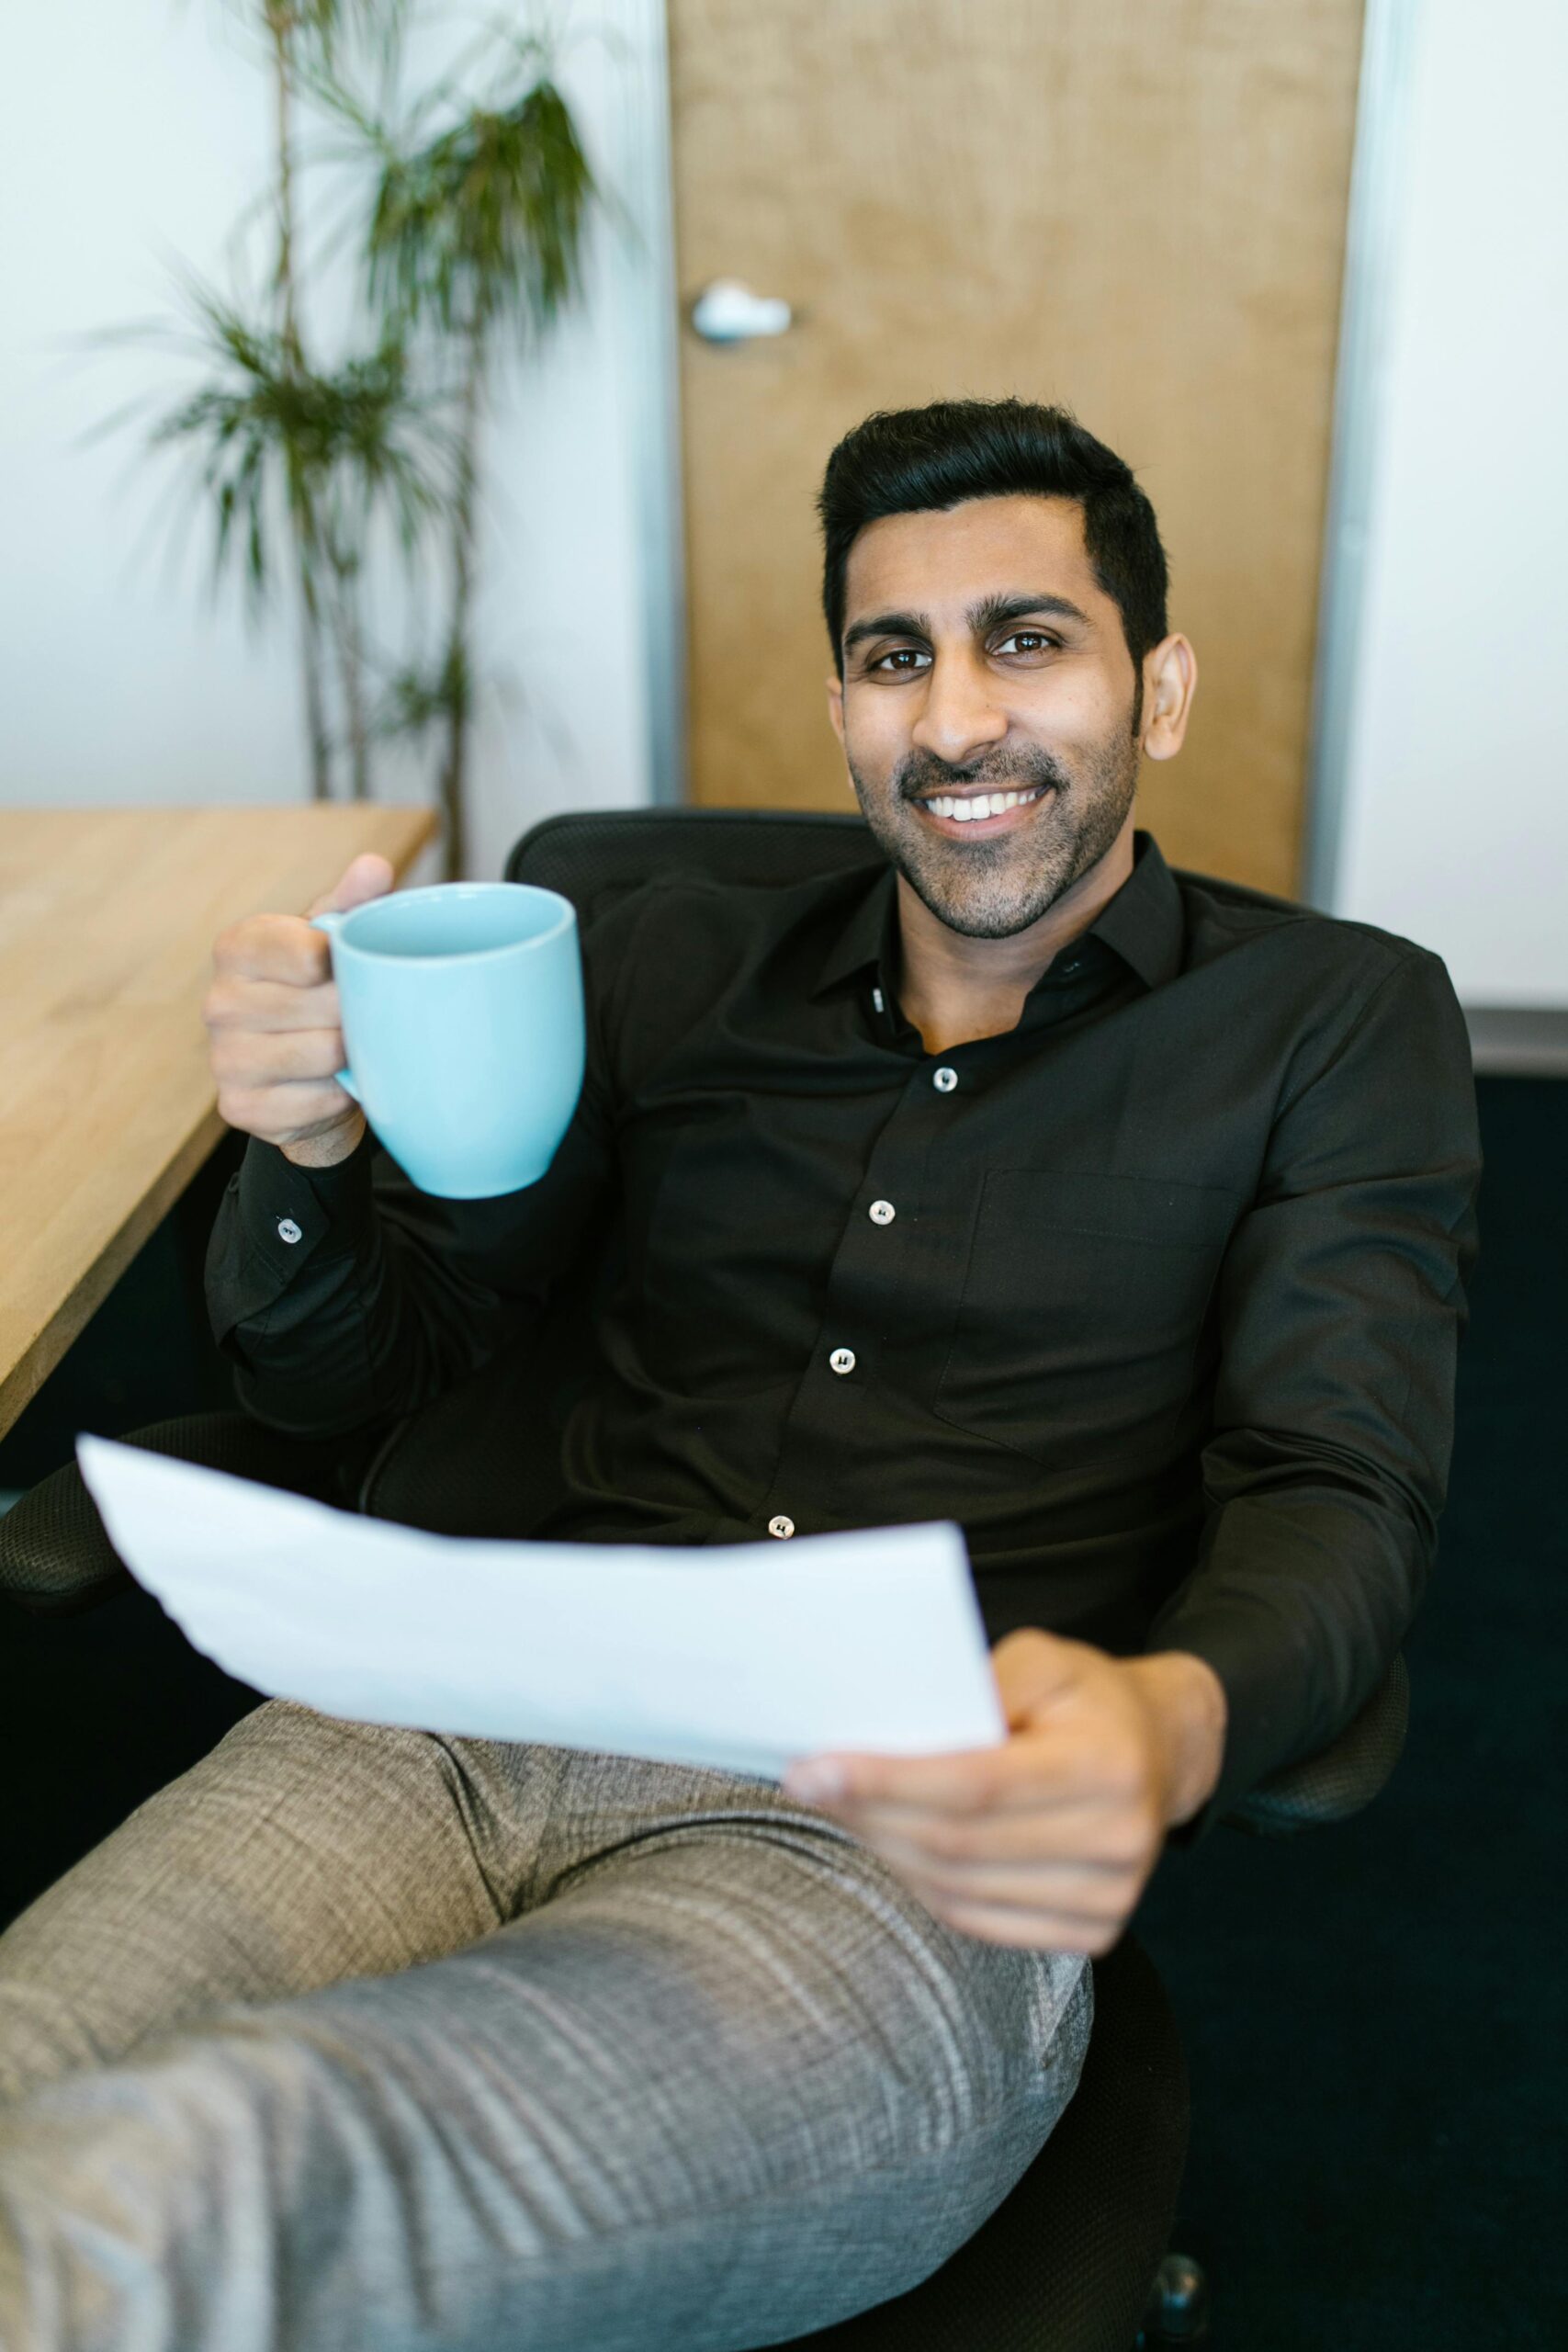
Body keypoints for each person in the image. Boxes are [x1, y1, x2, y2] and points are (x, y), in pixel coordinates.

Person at [0, 400, 1481, 2351]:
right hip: (442, 1701)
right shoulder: (652, 959)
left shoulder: (1325, 1017)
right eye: (894, 657)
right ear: (848, 704)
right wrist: (306, 1149)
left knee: (240, 2170)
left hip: (882, 1832)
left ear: (1159, 684)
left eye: (1023, 637)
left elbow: (1333, 1474)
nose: (954, 719)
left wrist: (1168, 1719)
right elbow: (353, 1371)